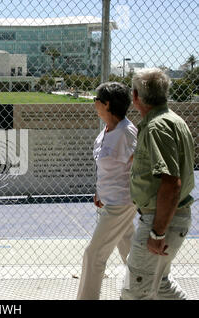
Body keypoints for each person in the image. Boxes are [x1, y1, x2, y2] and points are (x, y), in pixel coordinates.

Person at [121, 68, 195, 300]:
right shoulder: (174, 121)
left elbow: (172, 183)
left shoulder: (156, 127)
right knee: (160, 285)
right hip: (171, 217)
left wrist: (157, 232)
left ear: (135, 96)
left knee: (134, 291)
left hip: (161, 220)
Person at [77, 82, 138, 300]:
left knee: (94, 255)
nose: (93, 102)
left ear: (108, 104)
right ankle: (147, 291)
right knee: (130, 253)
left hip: (120, 203)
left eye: (97, 99)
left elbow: (139, 167)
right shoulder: (107, 129)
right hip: (109, 200)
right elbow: (109, 166)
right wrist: (100, 192)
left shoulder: (126, 133)